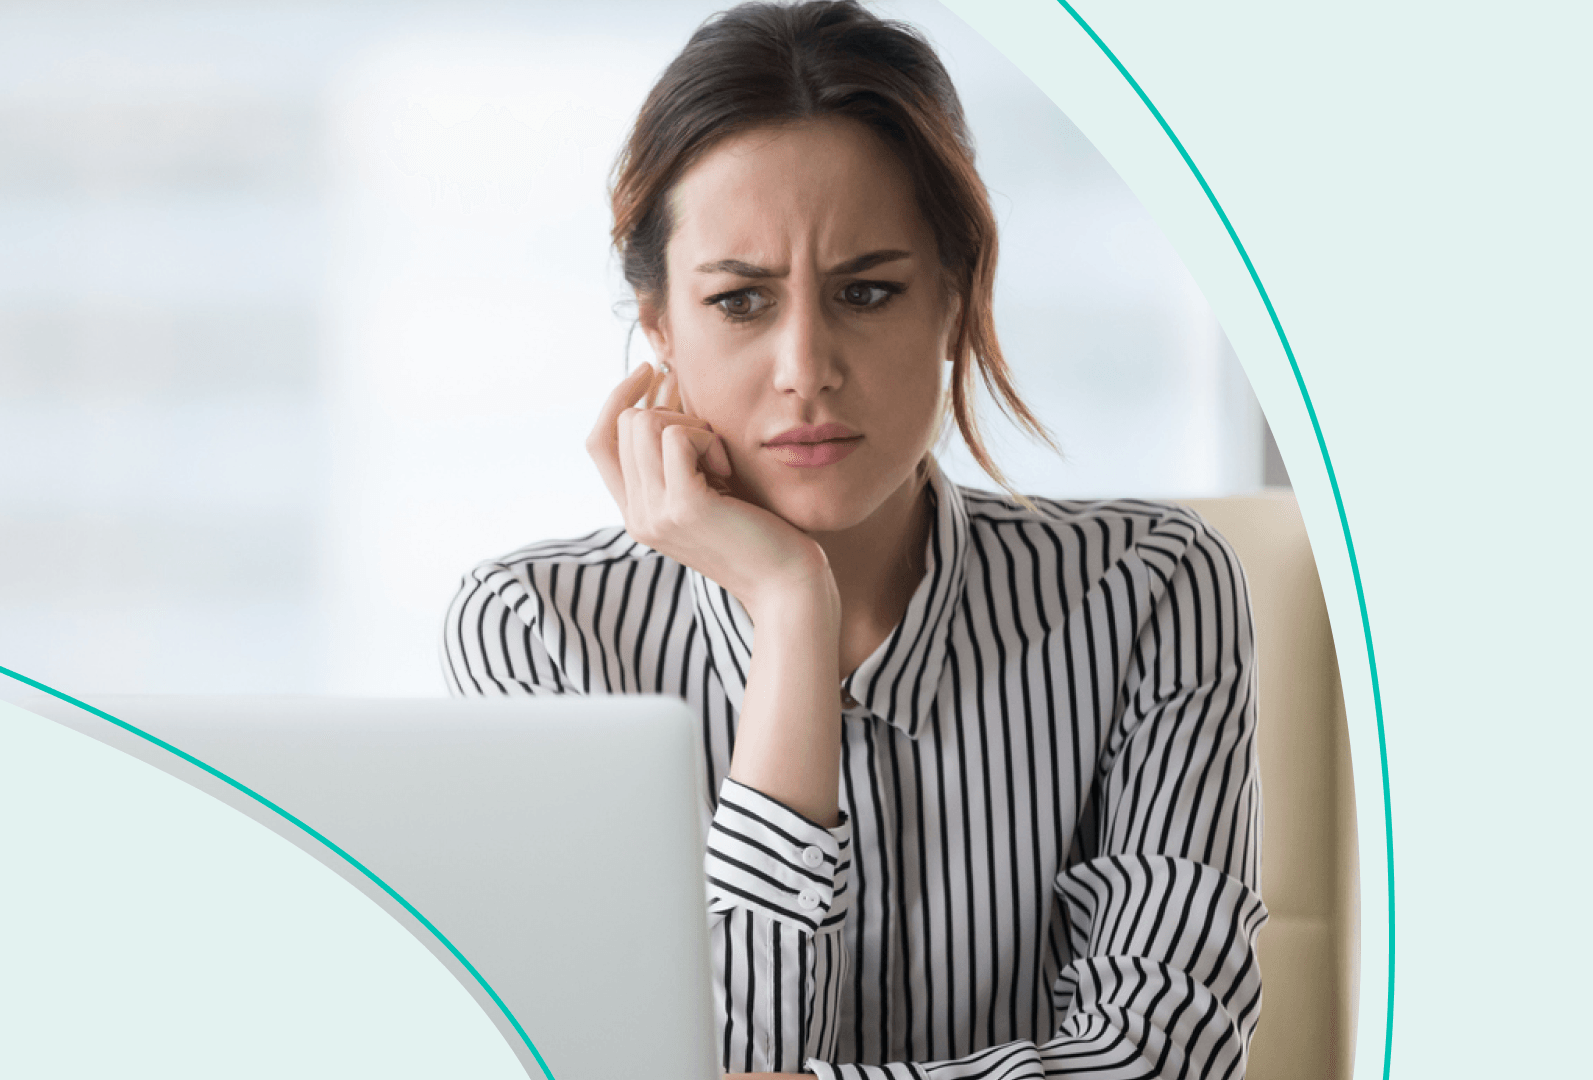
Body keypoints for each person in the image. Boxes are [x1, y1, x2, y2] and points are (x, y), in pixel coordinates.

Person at [441, 3, 1264, 1077]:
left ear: (955, 302)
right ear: (658, 330)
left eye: (867, 291)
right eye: (740, 302)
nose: (805, 366)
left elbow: (1161, 1062)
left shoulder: (1152, 590)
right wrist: (790, 615)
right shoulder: (537, 635)